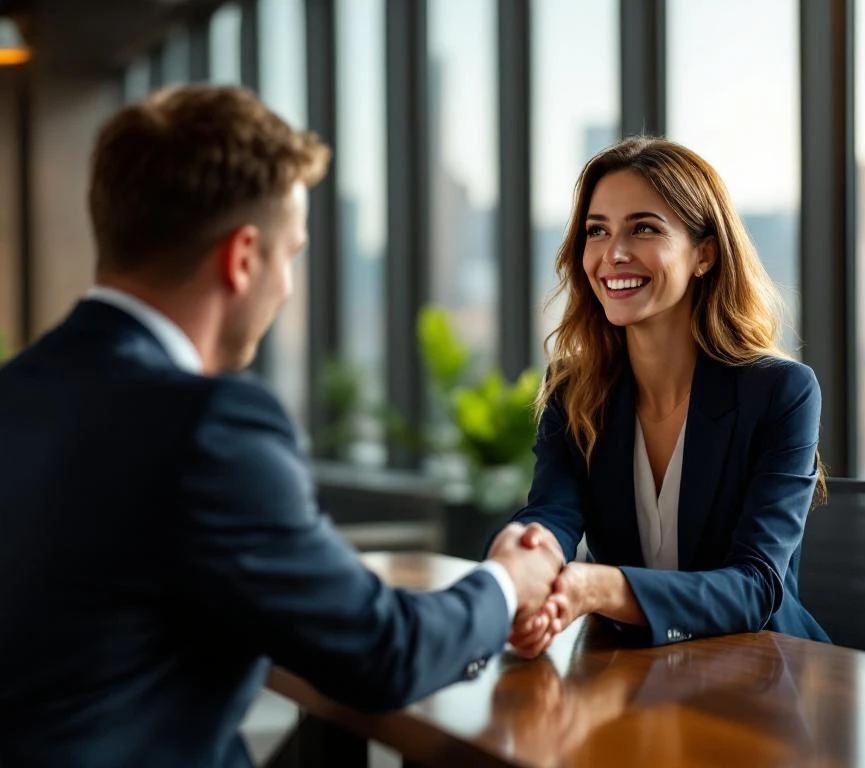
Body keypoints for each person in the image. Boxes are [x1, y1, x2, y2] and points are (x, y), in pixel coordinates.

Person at [0, 85, 561, 768]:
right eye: (290, 254)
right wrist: (507, 581)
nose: (289, 286)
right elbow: (383, 651)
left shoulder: (18, 391)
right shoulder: (207, 426)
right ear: (242, 258)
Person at [492, 137, 830, 657]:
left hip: (766, 670)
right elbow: (552, 514)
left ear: (704, 254)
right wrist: (523, 561)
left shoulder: (781, 392)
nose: (613, 254)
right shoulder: (575, 389)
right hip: (634, 669)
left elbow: (756, 587)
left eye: (644, 228)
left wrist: (599, 588)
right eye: (597, 231)